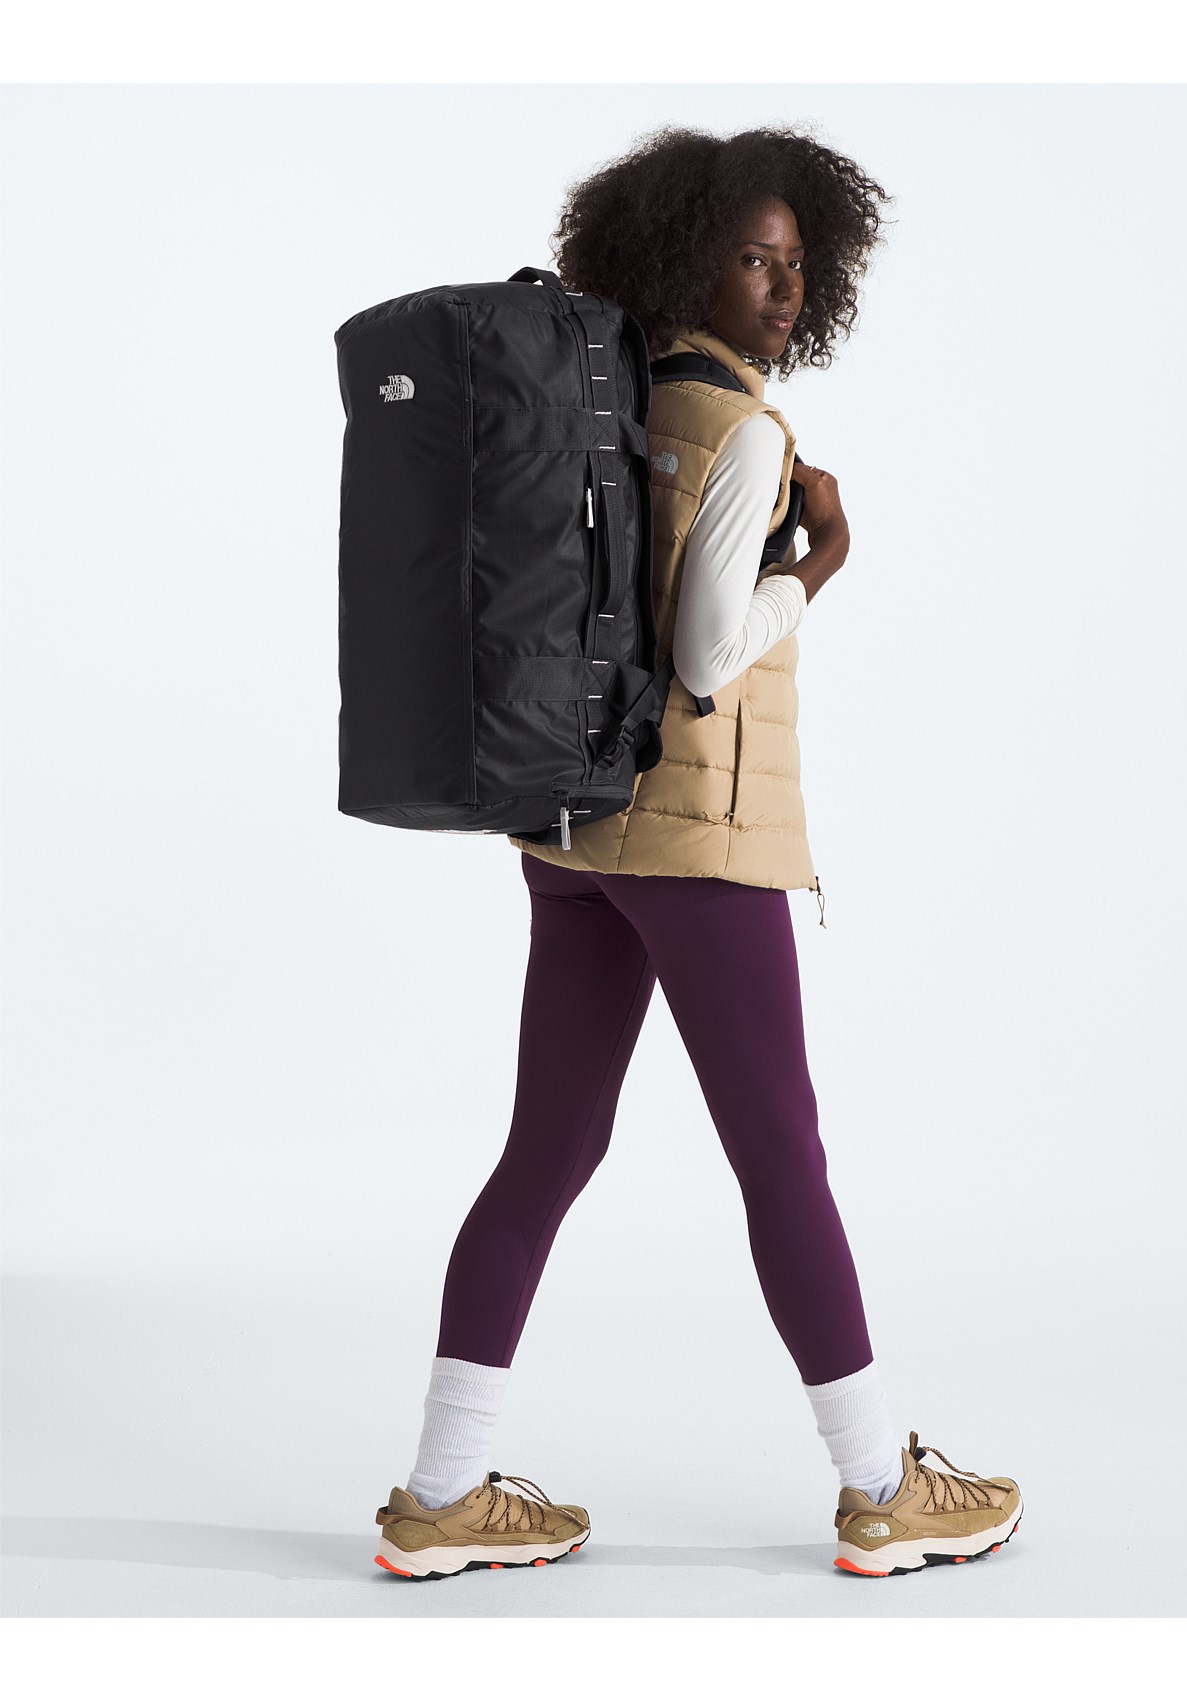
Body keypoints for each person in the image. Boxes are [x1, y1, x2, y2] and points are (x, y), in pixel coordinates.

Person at [373, 124, 1022, 1582]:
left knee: (548, 1147)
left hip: (571, 830)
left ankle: (440, 1492)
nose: (783, 290)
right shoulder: (743, 431)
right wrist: (820, 563)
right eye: (754, 260)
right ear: (686, 263)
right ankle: (881, 1487)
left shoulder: (610, 400)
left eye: (796, 266)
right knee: (781, 1155)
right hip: (699, 845)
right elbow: (712, 652)